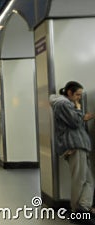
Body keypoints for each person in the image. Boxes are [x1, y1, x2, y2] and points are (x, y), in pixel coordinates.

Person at [49, 81, 95, 223]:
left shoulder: (63, 104)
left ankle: (84, 207)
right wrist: (80, 111)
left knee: (88, 180)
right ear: (69, 92)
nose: (79, 98)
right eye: (77, 95)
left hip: (78, 145)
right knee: (80, 180)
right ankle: (77, 210)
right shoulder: (64, 104)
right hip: (74, 145)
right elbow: (75, 122)